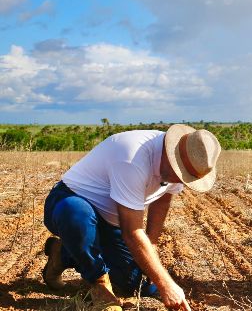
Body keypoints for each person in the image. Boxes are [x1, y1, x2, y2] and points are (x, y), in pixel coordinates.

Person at [42, 124, 221, 311]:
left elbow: (162, 201)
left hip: (112, 220)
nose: (180, 179)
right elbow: (131, 231)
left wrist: (151, 246)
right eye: (181, 173)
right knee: (77, 215)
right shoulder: (132, 157)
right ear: (171, 153)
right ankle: (98, 284)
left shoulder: (184, 163)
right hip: (68, 202)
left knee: (134, 282)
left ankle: (62, 254)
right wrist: (165, 284)